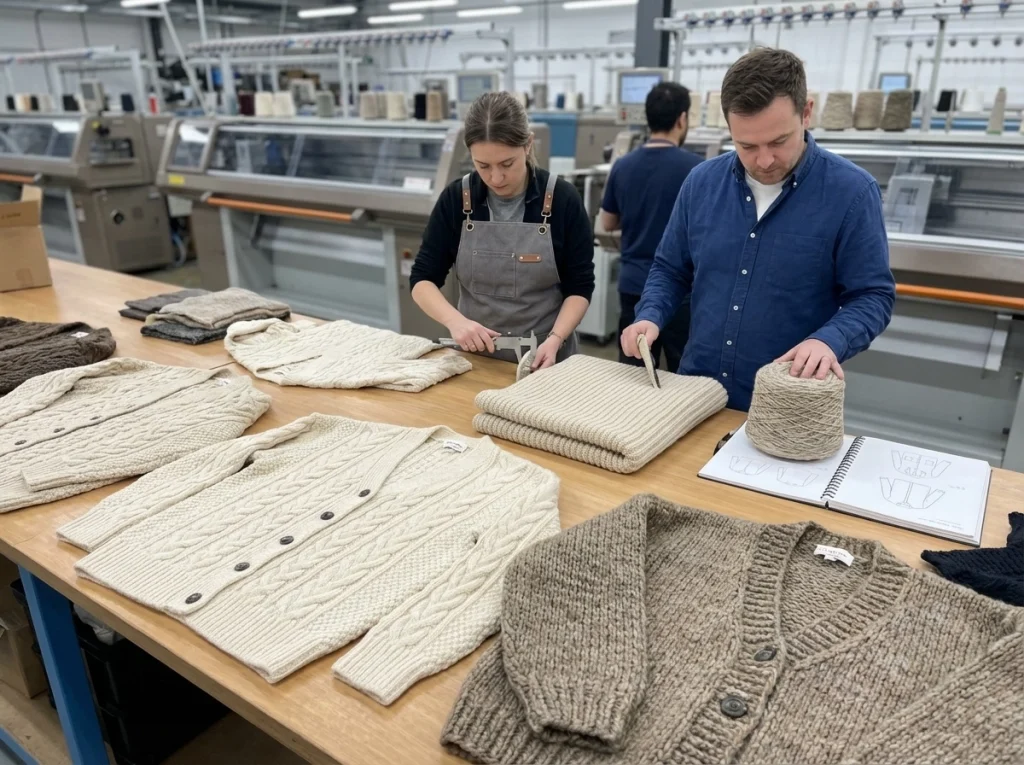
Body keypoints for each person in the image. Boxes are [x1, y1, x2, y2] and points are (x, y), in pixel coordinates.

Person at [621, 48, 895, 410]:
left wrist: (830, 340)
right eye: (746, 145)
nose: (764, 160)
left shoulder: (852, 193)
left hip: (787, 405)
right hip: (696, 396)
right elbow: (670, 269)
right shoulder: (701, 183)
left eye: (779, 141)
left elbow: (872, 296)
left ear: (806, 113)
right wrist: (650, 314)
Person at [410, 91, 595, 369]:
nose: (496, 178)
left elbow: (579, 288)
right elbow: (422, 279)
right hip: (475, 360)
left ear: (528, 145)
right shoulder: (457, 199)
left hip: (545, 359)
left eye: (507, 164)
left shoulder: (562, 200)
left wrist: (556, 338)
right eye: (482, 166)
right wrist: (455, 322)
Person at [599, 81, 702, 372]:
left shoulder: (623, 165)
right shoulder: (698, 169)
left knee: (633, 372)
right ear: (682, 119)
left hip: (634, 284)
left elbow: (607, 222)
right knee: (684, 373)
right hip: (682, 292)